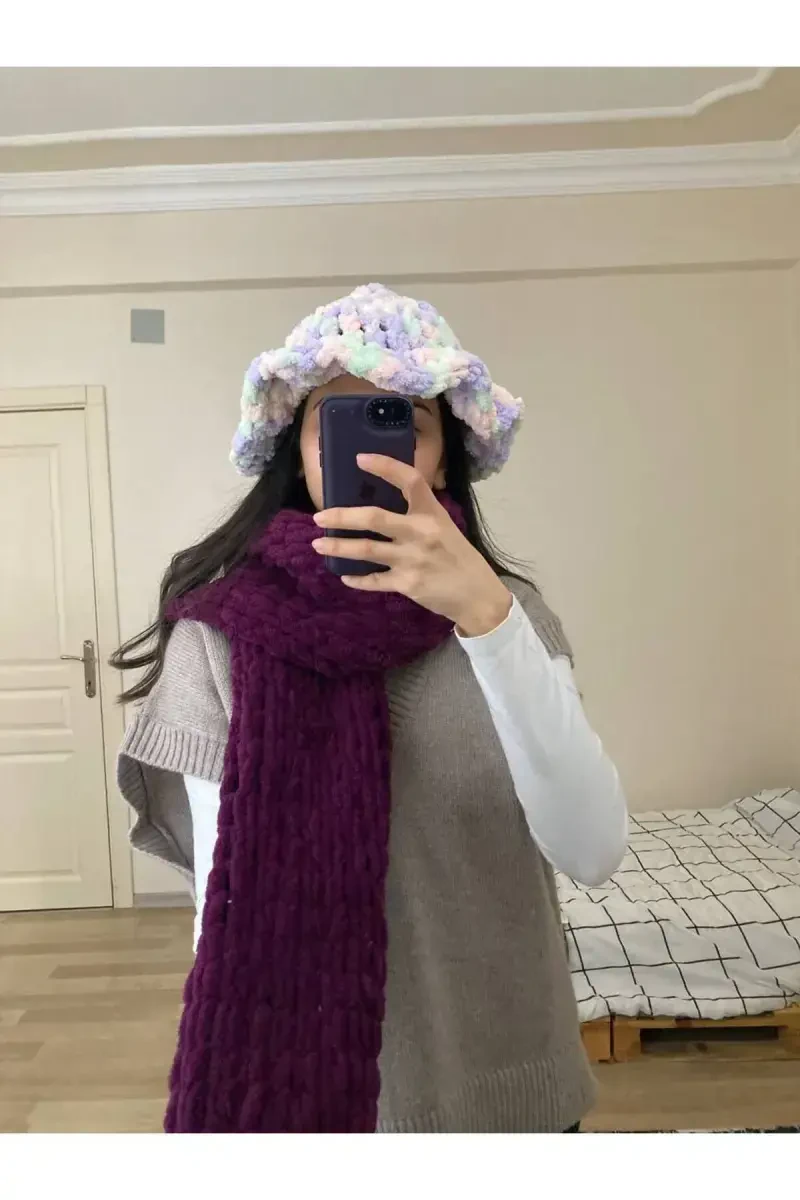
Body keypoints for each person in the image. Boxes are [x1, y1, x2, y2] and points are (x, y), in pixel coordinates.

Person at [113, 282, 627, 1134]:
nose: (371, 450)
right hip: (315, 1110)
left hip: (516, 1091)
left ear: (444, 456)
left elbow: (593, 849)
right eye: (338, 421)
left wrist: (488, 620)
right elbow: (224, 910)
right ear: (300, 451)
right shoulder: (218, 638)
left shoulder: (512, 618)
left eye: (401, 420)